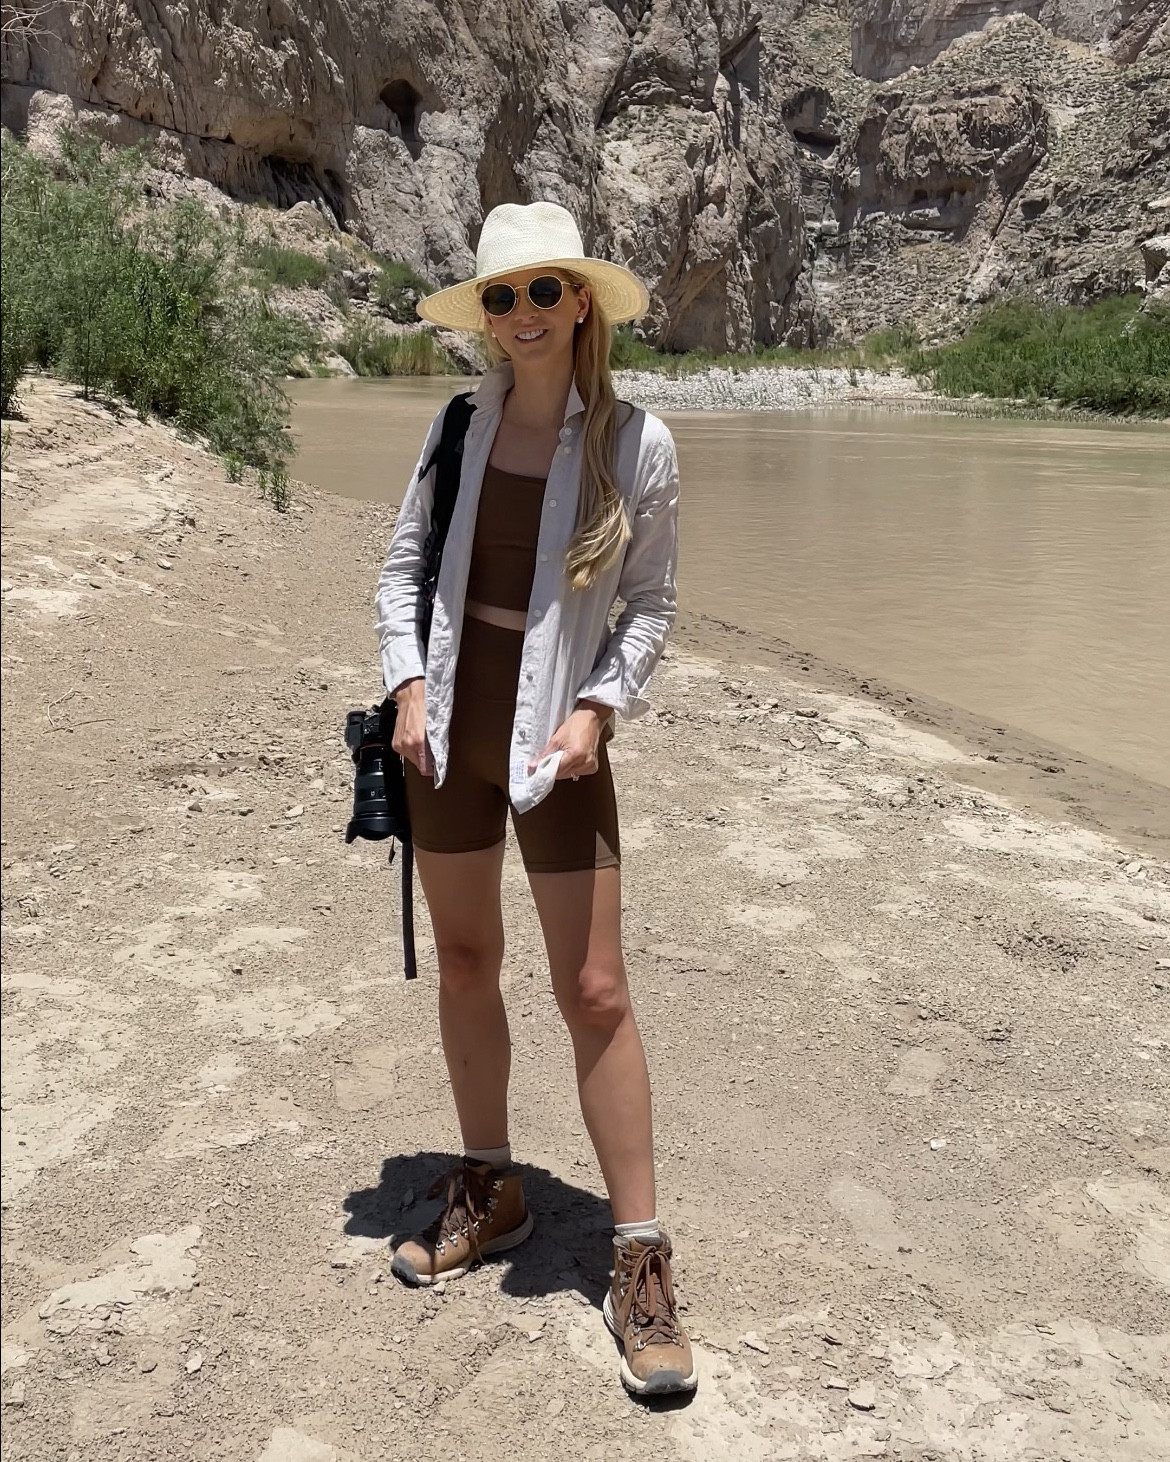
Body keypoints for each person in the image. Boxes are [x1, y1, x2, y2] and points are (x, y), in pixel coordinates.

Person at [373, 201, 693, 1397]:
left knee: (596, 988)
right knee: (464, 957)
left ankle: (642, 1257)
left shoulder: (636, 443)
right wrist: (406, 682)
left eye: (541, 293)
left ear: (582, 304)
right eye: (499, 298)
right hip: (447, 732)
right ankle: (492, 1183)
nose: (519, 317)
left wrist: (602, 708)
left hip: (561, 742)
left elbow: (652, 606)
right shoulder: (457, 427)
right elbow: (403, 566)